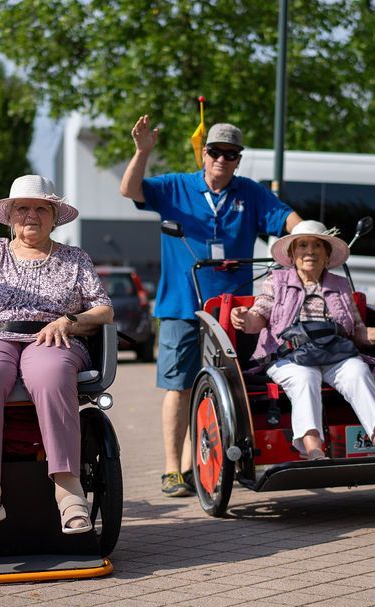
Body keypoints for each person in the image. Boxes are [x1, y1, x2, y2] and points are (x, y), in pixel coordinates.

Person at [120, 118, 301, 496]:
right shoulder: (175, 186)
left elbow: (286, 219)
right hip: (180, 306)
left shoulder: (249, 193)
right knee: (179, 386)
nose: (222, 159)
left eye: (231, 155)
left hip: (231, 309)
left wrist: (308, 237)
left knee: (224, 387)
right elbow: (130, 190)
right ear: (204, 154)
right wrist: (142, 152)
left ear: (238, 160)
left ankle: (196, 465)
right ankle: (173, 469)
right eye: (216, 152)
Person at [0, 172, 113, 533]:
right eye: (22, 208)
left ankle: (68, 492)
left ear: (54, 215)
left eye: (40, 208)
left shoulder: (75, 258)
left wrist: (69, 320)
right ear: (10, 216)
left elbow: (104, 309)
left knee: (50, 373)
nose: (31, 215)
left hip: (53, 337)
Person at [231, 220, 375, 459]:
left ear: (327, 254)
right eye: (303, 245)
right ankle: (314, 450)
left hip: (334, 354)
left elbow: (357, 331)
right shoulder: (276, 281)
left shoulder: (340, 285)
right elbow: (258, 317)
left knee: (358, 371)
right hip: (289, 356)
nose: (310, 251)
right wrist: (244, 318)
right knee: (305, 377)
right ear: (292, 253)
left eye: (317, 246)